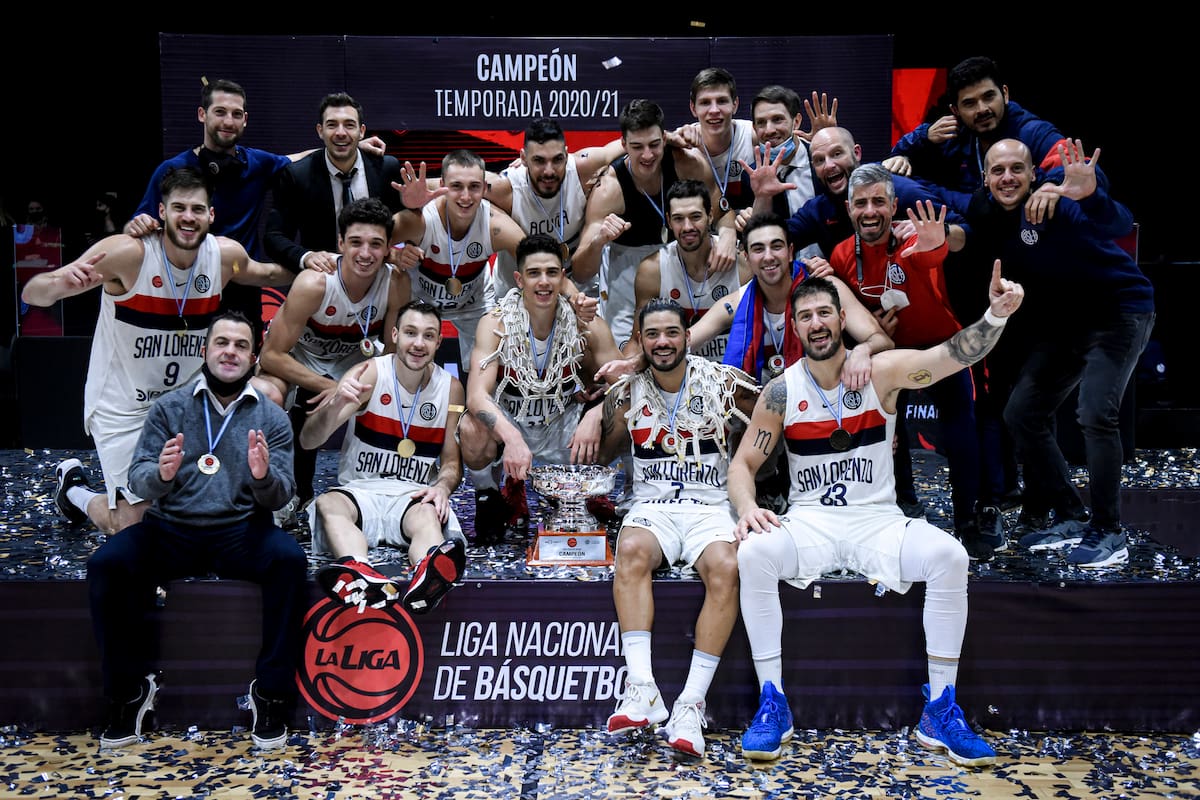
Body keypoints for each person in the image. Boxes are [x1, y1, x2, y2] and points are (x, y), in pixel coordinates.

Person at [728, 265, 1024, 766]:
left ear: (843, 318)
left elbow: (947, 358)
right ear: (795, 328)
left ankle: (940, 710)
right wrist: (748, 506)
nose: (816, 323)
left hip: (877, 521)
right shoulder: (781, 390)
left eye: (825, 312)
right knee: (755, 553)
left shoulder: (881, 372)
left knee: (950, 556)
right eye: (806, 317)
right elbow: (743, 464)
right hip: (812, 523)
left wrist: (994, 317)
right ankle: (772, 701)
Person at [22, 166, 291, 536]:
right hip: (125, 408)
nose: (188, 217)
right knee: (133, 527)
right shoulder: (127, 253)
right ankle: (76, 492)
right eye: (178, 208)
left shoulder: (223, 255)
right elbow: (32, 292)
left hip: (185, 404)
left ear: (211, 215)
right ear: (162, 212)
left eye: (198, 209)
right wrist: (57, 285)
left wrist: (320, 264)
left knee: (269, 393)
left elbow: (266, 273)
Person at [86, 311, 306, 750]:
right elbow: (139, 478)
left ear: (254, 355)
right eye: (222, 342)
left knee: (289, 560)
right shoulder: (171, 406)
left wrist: (263, 476)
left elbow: (281, 496)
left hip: (240, 531)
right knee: (107, 564)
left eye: (241, 345)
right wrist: (162, 476)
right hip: (173, 529)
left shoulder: (273, 418)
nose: (230, 352)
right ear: (205, 350)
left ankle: (271, 693)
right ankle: (130, 692)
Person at [969, 139, 1154, 568]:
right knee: (1021, 413)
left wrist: (1090, 194)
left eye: (1018, 168)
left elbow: (1120, 222)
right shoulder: (989, 216)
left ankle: (1109, 531)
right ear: (986, 179)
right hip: (1069, 324)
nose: (1008, 177)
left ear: (1034, 174)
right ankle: (1071, 513)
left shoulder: (1056, 204)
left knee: (1095, 414)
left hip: (1120, 312)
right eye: (998, 171)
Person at [599, 297, 759, 757]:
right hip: (653, 505)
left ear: (688, 336)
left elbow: (769, 415)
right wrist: (604, 410)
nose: (663, 342)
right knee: (628, 552)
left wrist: (751, 480)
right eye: (652, 334)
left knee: (726, 566)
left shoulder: (724, 383)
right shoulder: (629, 390)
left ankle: (690, 705)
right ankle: (643, 688)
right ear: (641, 341)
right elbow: (608, 451)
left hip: (710, 505)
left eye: (672, 332)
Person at [124, 79, 385, 340]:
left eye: (236, 114)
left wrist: (348, 147)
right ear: (202, 114)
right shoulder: (171, 169)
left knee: (242, 366)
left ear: (245, 119)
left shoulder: (256, 163)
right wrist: (135, 226)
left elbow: (297, 159)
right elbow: (137, 226)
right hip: (183, 288)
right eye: (220, 112)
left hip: (242, 289)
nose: (228, 121)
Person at [829, 163, 997, 558]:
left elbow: (934, 250)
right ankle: (904, 506)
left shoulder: (912, 240)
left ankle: (967, 522)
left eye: (879, 202)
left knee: (960, 435)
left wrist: (938, 241)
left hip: (943, 351)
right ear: (850, 208)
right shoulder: (840, 254)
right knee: (890, 438)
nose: (870, 211)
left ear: (893, 204)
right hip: (890, 358)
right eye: (861, 203)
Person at [299, 300, 467, 615]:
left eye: (428, 336)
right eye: (410, 333)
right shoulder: (370, 374)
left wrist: (443, 487)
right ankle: (357, 570)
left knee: (429, 516)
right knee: (328, 503)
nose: (418, 343)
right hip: (360, 490)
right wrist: (336, 405)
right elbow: (309, 440)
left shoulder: (451, 389)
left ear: (438, 342)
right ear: (394, 334)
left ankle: (428, 572)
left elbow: (452, 463)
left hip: (411, 494)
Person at [458, 233, 624, 543]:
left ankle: (582, 493)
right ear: (519, 279)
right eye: (534, 273)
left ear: (563, 277)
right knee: (471, 424)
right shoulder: (495, 323)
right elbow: (476, 396)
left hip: (563, 423)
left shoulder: (588, 324)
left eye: (551, 272)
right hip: (513, 423)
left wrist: (596, 413)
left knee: (621, 413)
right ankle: (489, 496)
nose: (543, 282)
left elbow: (626, 386)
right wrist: (512, 438)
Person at [257, 198, 411, 519]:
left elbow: (393, 355)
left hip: (350, 363)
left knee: (391, 387)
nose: (365, 253)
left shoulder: (396, 282)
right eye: (355, 243)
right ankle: (271, 492)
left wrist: (361, 382)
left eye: (375, 244)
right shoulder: (315, 283)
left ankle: (369, 488)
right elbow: (271, 355)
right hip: (296, 360)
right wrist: (327, 385)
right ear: (340, 243)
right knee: (266, 392)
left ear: (387, 249)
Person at [571, 99, 737, 350]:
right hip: (626, 270)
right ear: (623, 145)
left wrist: (727, 235)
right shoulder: (610, 189)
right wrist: (599, 241)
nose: (647, 155)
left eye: (654, 145)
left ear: (665, 138)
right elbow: (582, 271)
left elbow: (721, 210)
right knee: (626, 353)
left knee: (682, 347)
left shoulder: (686, 162)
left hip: (679, 263)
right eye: (637, 147)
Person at [389, 149, 527, 376]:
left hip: (474, 303)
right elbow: (370, 244)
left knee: (490, 368)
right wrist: (394, 256)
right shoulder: (420, 218)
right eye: (456, 187)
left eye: (474, 187)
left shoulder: (497, 226)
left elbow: (536, 262)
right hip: (420, 300)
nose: (465, 197)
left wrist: (572, 298)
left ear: (484, 188)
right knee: (405, 368)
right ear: (442, 185)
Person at [264, 92, 403, 275]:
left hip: (376, 273)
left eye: (349, 125)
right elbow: (274, 237)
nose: (340, 133)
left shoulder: (387, 168)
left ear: (361, 132)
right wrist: (306, 256)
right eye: (332, 125)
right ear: (320, 131)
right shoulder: (298, 175)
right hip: (324, 278)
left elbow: (403, 225)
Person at [486, 117, 626, 301]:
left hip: (579, 288)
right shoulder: (505, 189)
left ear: (567, 156)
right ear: (523, 159)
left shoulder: (582, 169)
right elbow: (452, 184)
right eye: (539, 161)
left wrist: (667, 137)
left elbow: (626, 145)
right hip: (516, 293)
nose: (549, 171)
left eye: (557, 160)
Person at [884, 56, 1067, 195]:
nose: (982, 109)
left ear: (1004, 94)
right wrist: (907, 153)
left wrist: (1050, 185)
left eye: (989, 97)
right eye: (969, 103)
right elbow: (903, 153)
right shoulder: (951, 134)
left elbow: (1076, 166)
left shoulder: (1032, 132)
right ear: (955, 110)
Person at [628, 179, 750, 362]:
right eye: (678, 219)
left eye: (695, 217)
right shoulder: (653, 270)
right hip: (680, 373)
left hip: (734, 372)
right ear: (668, 220)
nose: (687, 227)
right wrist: (622, 375)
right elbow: (638, 341)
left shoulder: (742, 264)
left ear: (710, 216)